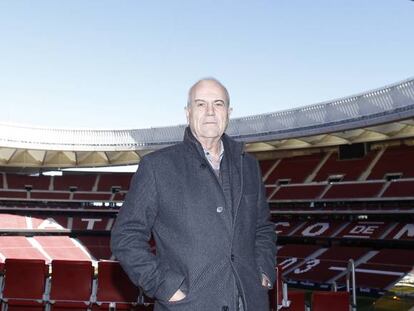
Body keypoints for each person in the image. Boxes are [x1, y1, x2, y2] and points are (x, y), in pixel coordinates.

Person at [111, 78, 276, 311]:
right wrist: (164, 286)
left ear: (229, 112)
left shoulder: (248, 165)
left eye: (218, 104)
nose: (210, 111)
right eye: (200, 104)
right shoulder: (157, 166)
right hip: (189, 305)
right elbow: (126, 236)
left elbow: (262, 228)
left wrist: (264, 272)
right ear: (188, 113)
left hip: (249, 303)